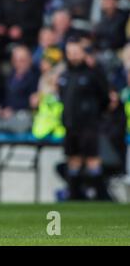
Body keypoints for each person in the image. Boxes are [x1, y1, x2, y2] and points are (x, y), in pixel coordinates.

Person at [57, 36, 110, 200]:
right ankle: (74, 195)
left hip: (89, 125)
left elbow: (104, 98)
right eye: (69, 52)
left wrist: (93, 115)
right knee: (73, 160)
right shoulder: (64, 76)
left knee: (92, 159)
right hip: (70, 125)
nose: (72, 55)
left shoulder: (93, 74)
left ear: (83, 53)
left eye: (75, 52)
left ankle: (101, 196)